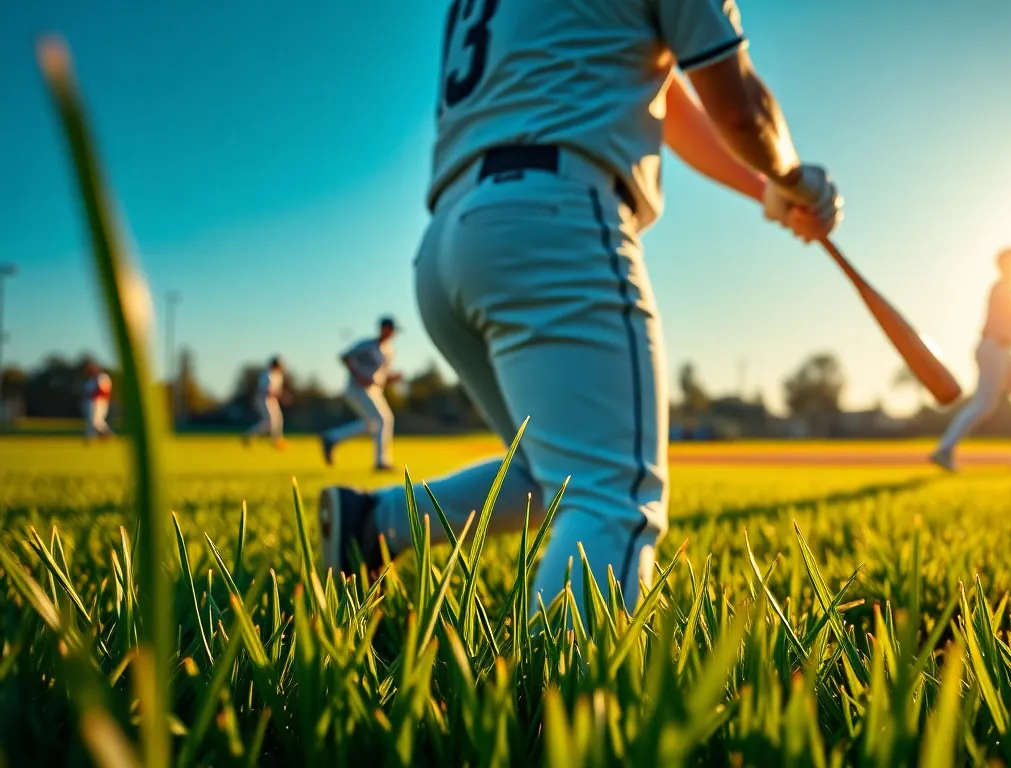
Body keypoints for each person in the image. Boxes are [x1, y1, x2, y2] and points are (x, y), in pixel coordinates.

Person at [318, 0, 843, 617]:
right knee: (612, 492)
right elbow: (740, 109)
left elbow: (663, 92)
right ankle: (555, 709)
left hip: (448, 244)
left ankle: (371, 525)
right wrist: (796, 178)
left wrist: (766, 191)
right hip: (553, 217)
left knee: (557, 470)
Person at [930, 247, 1011, 471]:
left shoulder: (1010, 291)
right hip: (993, 348)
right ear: (1008, 264)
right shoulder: (1002, 290)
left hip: (1003, 352)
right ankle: (945, 449)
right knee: (984, 404)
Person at [321, 317, 401, 470]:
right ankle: (380, 462)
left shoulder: (389, 351)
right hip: (356, 388)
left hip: (374, 390)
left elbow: (382, 377)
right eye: (391, 329)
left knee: (377, 423)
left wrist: (392, 379)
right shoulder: (367, 345)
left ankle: (332, 437)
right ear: (384, 328)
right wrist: (359, 376)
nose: (393, 333)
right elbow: (345, 357)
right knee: (380, 420)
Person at [243, 356, 288, 449]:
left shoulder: (279, 376)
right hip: (263, 399)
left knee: (278, 419)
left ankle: (277, 440)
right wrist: (281, 396)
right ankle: (249, 435)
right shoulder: (267, 375)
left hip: (272, 400)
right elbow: (266, 390)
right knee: (269, 422)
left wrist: (279, 395)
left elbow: (276, 390)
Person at [82, 359, 113, 443]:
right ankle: (89, 438)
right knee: (90, 421)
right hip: (90, 402)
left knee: (96, 421)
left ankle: (107, 434)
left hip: (99, 402)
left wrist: (93, 394)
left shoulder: (102, 377)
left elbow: (104, 391)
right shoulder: (90, 380)